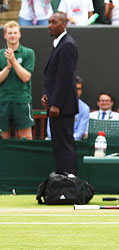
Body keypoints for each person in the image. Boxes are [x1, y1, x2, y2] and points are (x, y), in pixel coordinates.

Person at [42, 12, 79, 174]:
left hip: (63, 107)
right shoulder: (59, 44)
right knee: (59, 145)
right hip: (57, 105)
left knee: (64, 144)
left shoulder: (67, 45)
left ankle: (68, 179)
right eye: (49, 22)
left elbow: (65, 77)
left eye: (53, 22)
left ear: (63, 24)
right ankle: (62, 179)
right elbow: (53, 75)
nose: (50, 25)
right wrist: (47, 96)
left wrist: (56, 103)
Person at [0, 21, 34, 140]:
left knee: (26, 138)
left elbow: (26, 77)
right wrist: (8, 67)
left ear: (19, 34)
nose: (12, 35)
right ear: (5, 35)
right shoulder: (0, 55)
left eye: (15, 33)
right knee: (2, 138)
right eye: (9, 33)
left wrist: (14, 61)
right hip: (3, 101)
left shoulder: (28, 53)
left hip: (22, 101)